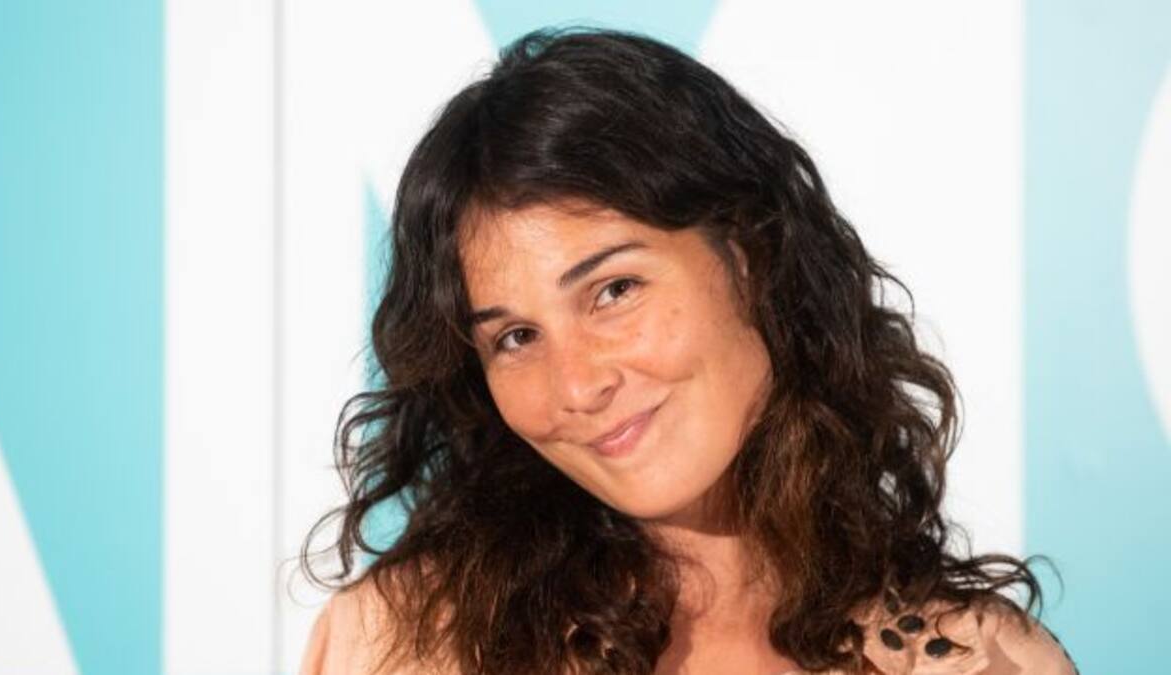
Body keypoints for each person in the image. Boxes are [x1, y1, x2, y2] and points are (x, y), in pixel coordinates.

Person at [296, 28, 1078, 675]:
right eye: (516, 337)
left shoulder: (981, 660)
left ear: (750, 254)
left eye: (614, 290)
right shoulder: (402, 645)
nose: (578, 384)